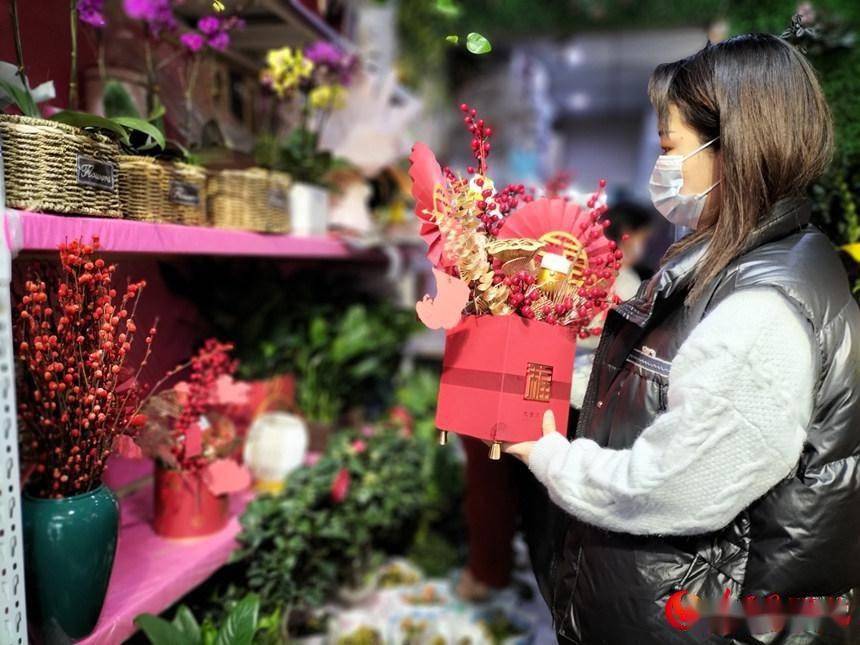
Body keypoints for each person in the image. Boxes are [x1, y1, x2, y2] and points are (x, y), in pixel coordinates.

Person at [500, 34, 860, 643]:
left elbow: (669, 485)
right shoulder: (729, 257)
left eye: (669, 146)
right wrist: (557, 379)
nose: (659, 168)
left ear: (735, 148)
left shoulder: (762, 306)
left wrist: (546, 456)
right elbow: (664, 380)